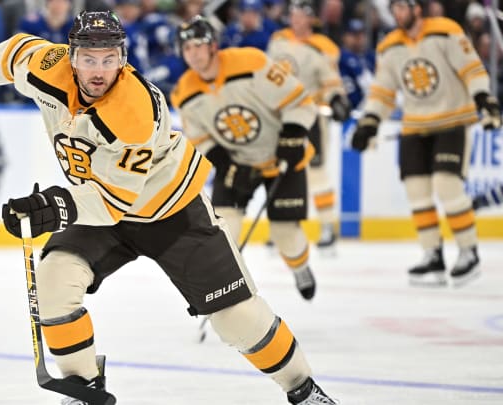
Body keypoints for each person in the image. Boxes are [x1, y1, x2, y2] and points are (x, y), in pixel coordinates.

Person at [0, 10, 339, 405]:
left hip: (170, 210)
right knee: (54, 279)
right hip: (96, 205)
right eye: (88, 58)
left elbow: (114, 202)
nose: (99, 70)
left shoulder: (135, 109)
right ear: (71, 56)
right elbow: (16, 52)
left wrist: (52, 207)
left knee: (237, 319)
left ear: (123, 59)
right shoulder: (46, 66)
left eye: (109, 59)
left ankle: (303, 389)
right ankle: (83, 387)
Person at [351, 0, 501, 287]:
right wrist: (369, 122)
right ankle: (432, 254)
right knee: (417, 193)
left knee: (447, 186)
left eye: (402, 8)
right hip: (414, 125)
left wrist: (484, 99)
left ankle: (468, 251)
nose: (397, 14)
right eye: (393, 9)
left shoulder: (446, 32)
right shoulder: (389, 46)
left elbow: (472, 70)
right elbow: (383, 92)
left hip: (452, 121)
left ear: (417, 8)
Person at [171, 16, 320, 301]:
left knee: (285, 233)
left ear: (213, 45)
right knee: (223, 227)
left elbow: (298, 99)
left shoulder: (251, 61)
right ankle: (225, 286)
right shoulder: (183, 91)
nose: (193, 53)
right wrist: (227, 165)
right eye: (186, 48)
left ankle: (300, 267)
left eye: (198, 45)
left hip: (282, 156)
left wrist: (292, 133)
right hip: (238, 161)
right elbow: (201, 139)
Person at [267, 0, 351, 251]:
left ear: (311, 19)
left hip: (309, 116)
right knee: (277, 170)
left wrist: (337, 98)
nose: (295, 18)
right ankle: (280, 227)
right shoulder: (277, 39)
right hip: (278, 116)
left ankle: (326, 226)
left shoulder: (323, 47)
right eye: (292, 13)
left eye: (300, 14)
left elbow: (331, 80)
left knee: (316, 172)